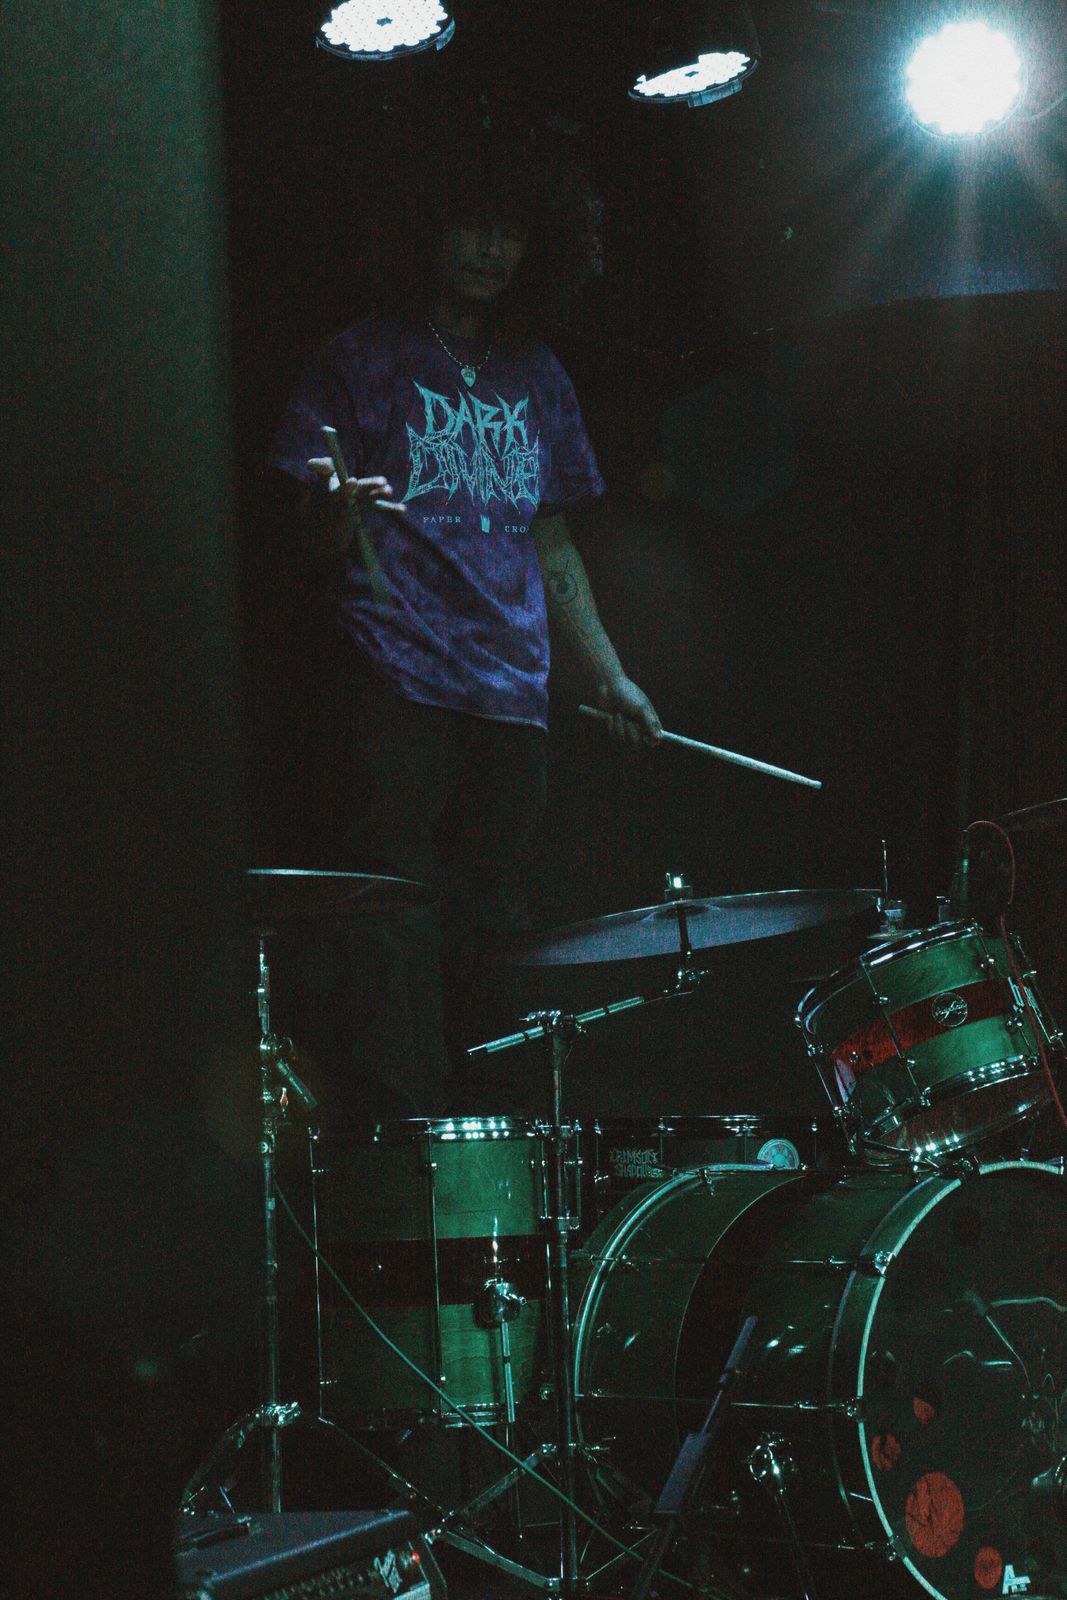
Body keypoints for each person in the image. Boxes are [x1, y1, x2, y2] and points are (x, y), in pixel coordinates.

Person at [269, 157, 660, 1117]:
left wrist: (607, 673)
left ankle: (494, 1140)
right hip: (395, 675)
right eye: (472, 227)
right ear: (425, 234)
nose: (491, 250)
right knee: (389, 913)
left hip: (512, 689)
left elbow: (551, 536)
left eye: (511, 233)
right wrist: (331, 515)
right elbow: (306, 536)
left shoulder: (538, 373)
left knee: (495, 921)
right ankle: (402, 1135)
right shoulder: (359, 358)